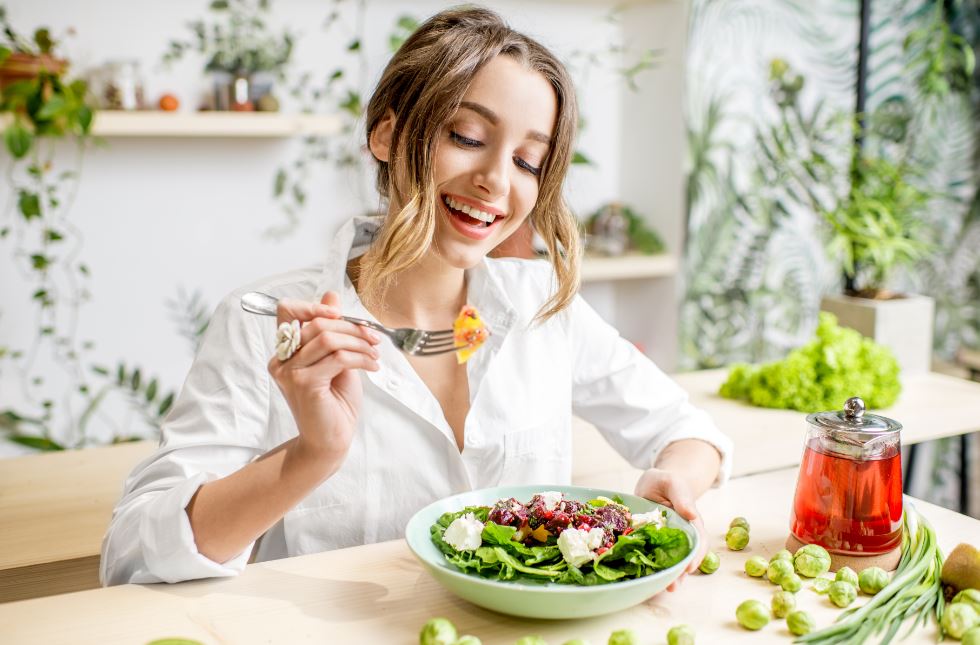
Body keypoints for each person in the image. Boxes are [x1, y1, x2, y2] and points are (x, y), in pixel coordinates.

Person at [100, 6, 732, 589]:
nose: (495, 181)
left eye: (528, 161)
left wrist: (673, 484)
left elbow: (685, 430)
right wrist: (311, 454)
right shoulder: (266, 320)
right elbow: (132, 555)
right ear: (387, 137)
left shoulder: (544, 305)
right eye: (465, 136)